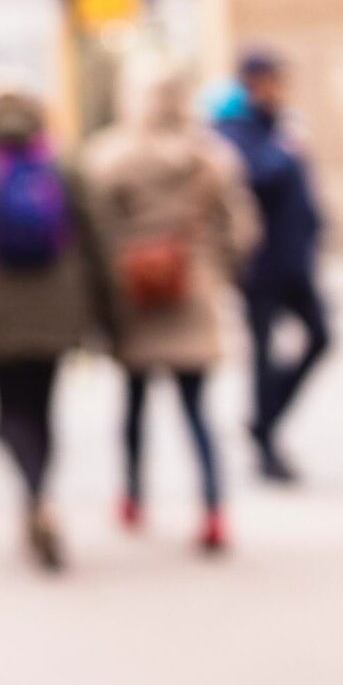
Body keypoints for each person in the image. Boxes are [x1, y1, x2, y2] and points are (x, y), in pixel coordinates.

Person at [87, 56, 260, 554]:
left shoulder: (112, 157)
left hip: (135, 294)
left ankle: (134, 495)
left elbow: (98, 228)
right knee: (197, 411)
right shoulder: (211, 157)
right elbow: (242, 230)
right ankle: (212, 508)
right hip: (195, 290)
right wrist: (216, 272)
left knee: (134, 405)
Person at [0, 80, 107, 571]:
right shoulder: (61, 160)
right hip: (58, 303)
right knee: (44, 406)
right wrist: (107, 314)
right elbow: (94, 234)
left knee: (10, 408)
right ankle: (42, 498)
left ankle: (32, 493)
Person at [215, 48, 329, 483]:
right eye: (273, 80)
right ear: (254, 82)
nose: (279, 89)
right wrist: (285, 147)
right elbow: (256, 177)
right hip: (260, 265)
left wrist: (318, 225)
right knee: (262, 354)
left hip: (295, 259)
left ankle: (264, 419)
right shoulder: (233, 129)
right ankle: (264, 440)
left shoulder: (278, 124)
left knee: (320, 337)